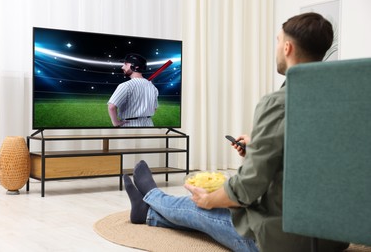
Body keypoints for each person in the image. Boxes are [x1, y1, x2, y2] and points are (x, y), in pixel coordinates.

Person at [122, 13, 349, 252]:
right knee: (219, 204)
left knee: (200, 208)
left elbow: (247, 188)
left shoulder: (279, 103)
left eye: (277, 41)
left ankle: (152, 196)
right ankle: (146, 212)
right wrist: (259, 146)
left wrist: (209, 199)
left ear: (287, 47)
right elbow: (314, 157)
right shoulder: (341, 100)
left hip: (280, 243)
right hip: (332, 237)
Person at [107, 53, 158, 127]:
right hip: (149, 125)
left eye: (125, 64)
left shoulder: (125, 85)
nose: (122, 67)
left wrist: (116, 123)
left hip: (129, 126)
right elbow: (154, 109)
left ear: (135, 66)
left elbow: (111, 107)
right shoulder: (152, 87)